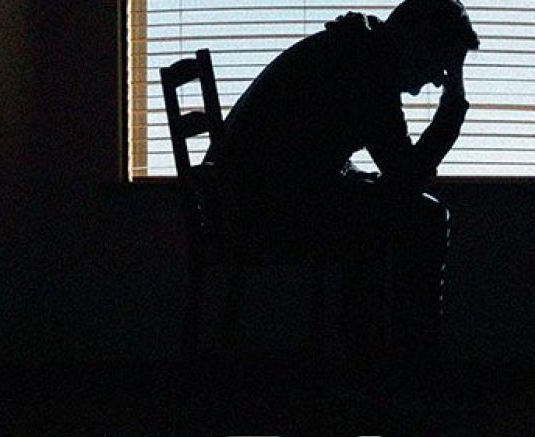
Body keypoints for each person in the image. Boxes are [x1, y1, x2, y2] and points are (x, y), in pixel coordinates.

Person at [204, 0, 480, 363]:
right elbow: (406, 176)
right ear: (419, 44)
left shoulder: (357, 49)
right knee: (422, 219)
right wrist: (455, 98)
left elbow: (321, 154)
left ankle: (370, 357)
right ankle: (411, 363)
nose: (438, 78)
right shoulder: (369, 69)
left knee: (382, 213)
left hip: (243, 195)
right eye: (441, 63)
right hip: (260, 207)